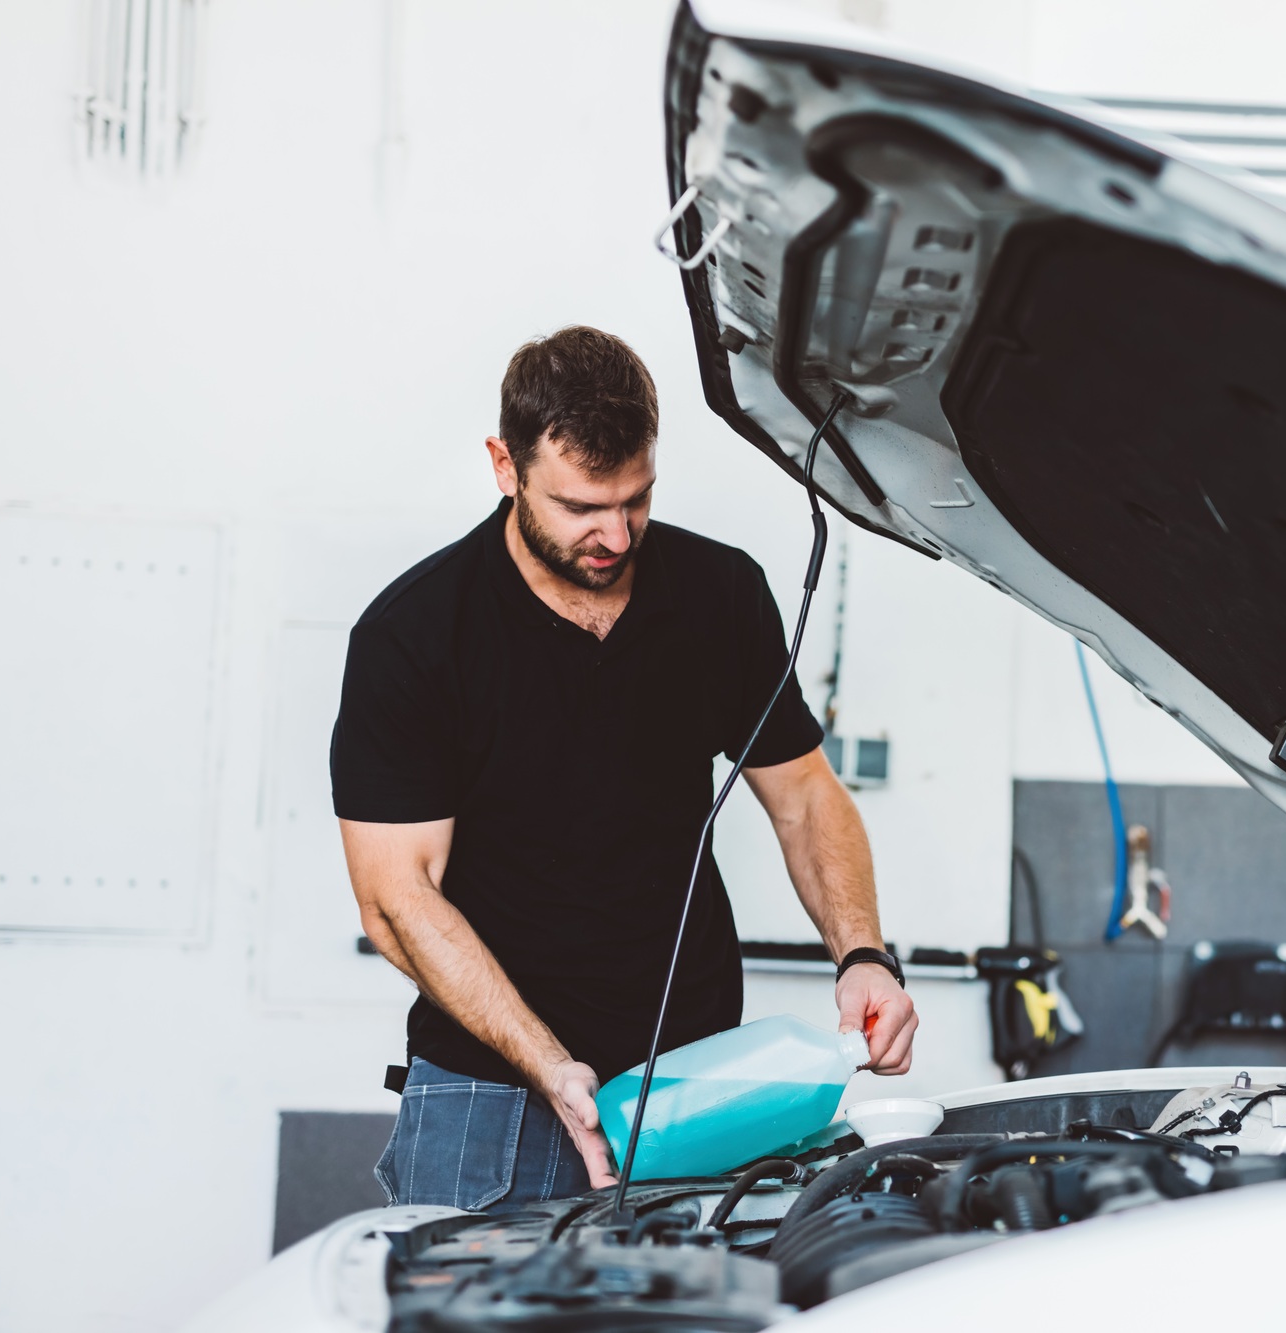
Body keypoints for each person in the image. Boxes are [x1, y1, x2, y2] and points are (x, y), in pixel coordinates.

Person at [332, 325, 917, 1210]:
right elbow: (396, 897)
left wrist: (863, 954)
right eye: (580, 507)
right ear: (505, 465)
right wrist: (551, 1065)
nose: (614, 533)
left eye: (635, 499)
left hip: (693, 1087)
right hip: (489, 1090)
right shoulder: (413, 637)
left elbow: (803, 797)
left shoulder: (720, 596)